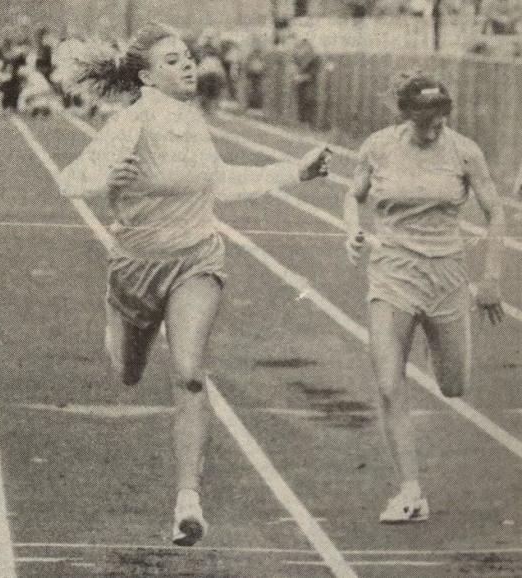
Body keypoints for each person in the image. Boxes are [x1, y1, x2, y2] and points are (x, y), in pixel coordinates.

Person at [59, 24, 330, 546]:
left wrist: (294, 171)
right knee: (128, 373)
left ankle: (188, 500)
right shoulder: (129, 124)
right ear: (147, 77)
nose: (187, 66)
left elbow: (220, 182)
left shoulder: (193, 122)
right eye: (172, 61)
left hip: (197, 260)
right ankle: (115, 310)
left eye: (187, 58)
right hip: (137, 265)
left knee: (188, 373)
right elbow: (70, 181)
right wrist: (108, 179)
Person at [344, 72, 505, 523]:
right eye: (423, 121)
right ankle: (410, 492)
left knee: (453, 385)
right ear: (405, 115)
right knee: (389, 381)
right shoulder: (377, 147)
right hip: (393, 271)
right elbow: (351, 195)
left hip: (447, 275)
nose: (432, 129)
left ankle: (440, 348)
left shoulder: (465, 151)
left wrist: (491, 278)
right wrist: (352, 229)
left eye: (439, 120)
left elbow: (496, 213)